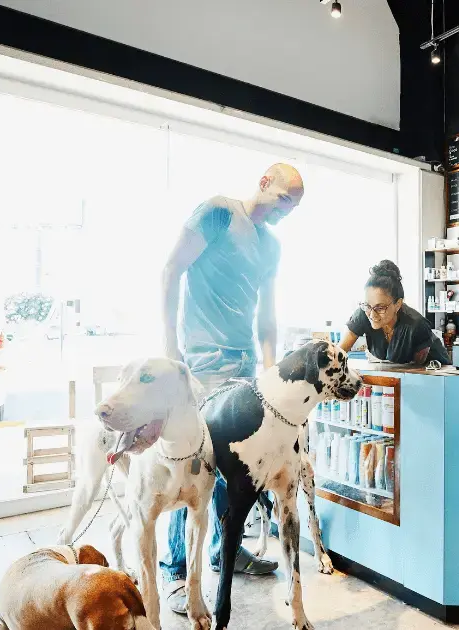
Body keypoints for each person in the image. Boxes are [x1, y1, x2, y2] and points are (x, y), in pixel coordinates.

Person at [158, 163, 305, 617]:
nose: (287, 210)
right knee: (193, 471)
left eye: (294, 206)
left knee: (236, 471)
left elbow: (267, 313)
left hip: (243, 370)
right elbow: (171, 269)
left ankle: (225, 552)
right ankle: (178, 574)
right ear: (264, 182)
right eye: (285, 198)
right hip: (200, 365)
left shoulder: (271, 245)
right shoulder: (218, 214)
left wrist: (268, 368)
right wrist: (170, 350)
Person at [340, 260, 451, 365]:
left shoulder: (416, 325)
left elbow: (418, 371)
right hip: (398, 371)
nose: (372, 314)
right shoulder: (363, 313)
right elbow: (338, 353)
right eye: (368, 305)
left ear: (398, 304)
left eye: (380, 308)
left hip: (434, 372)